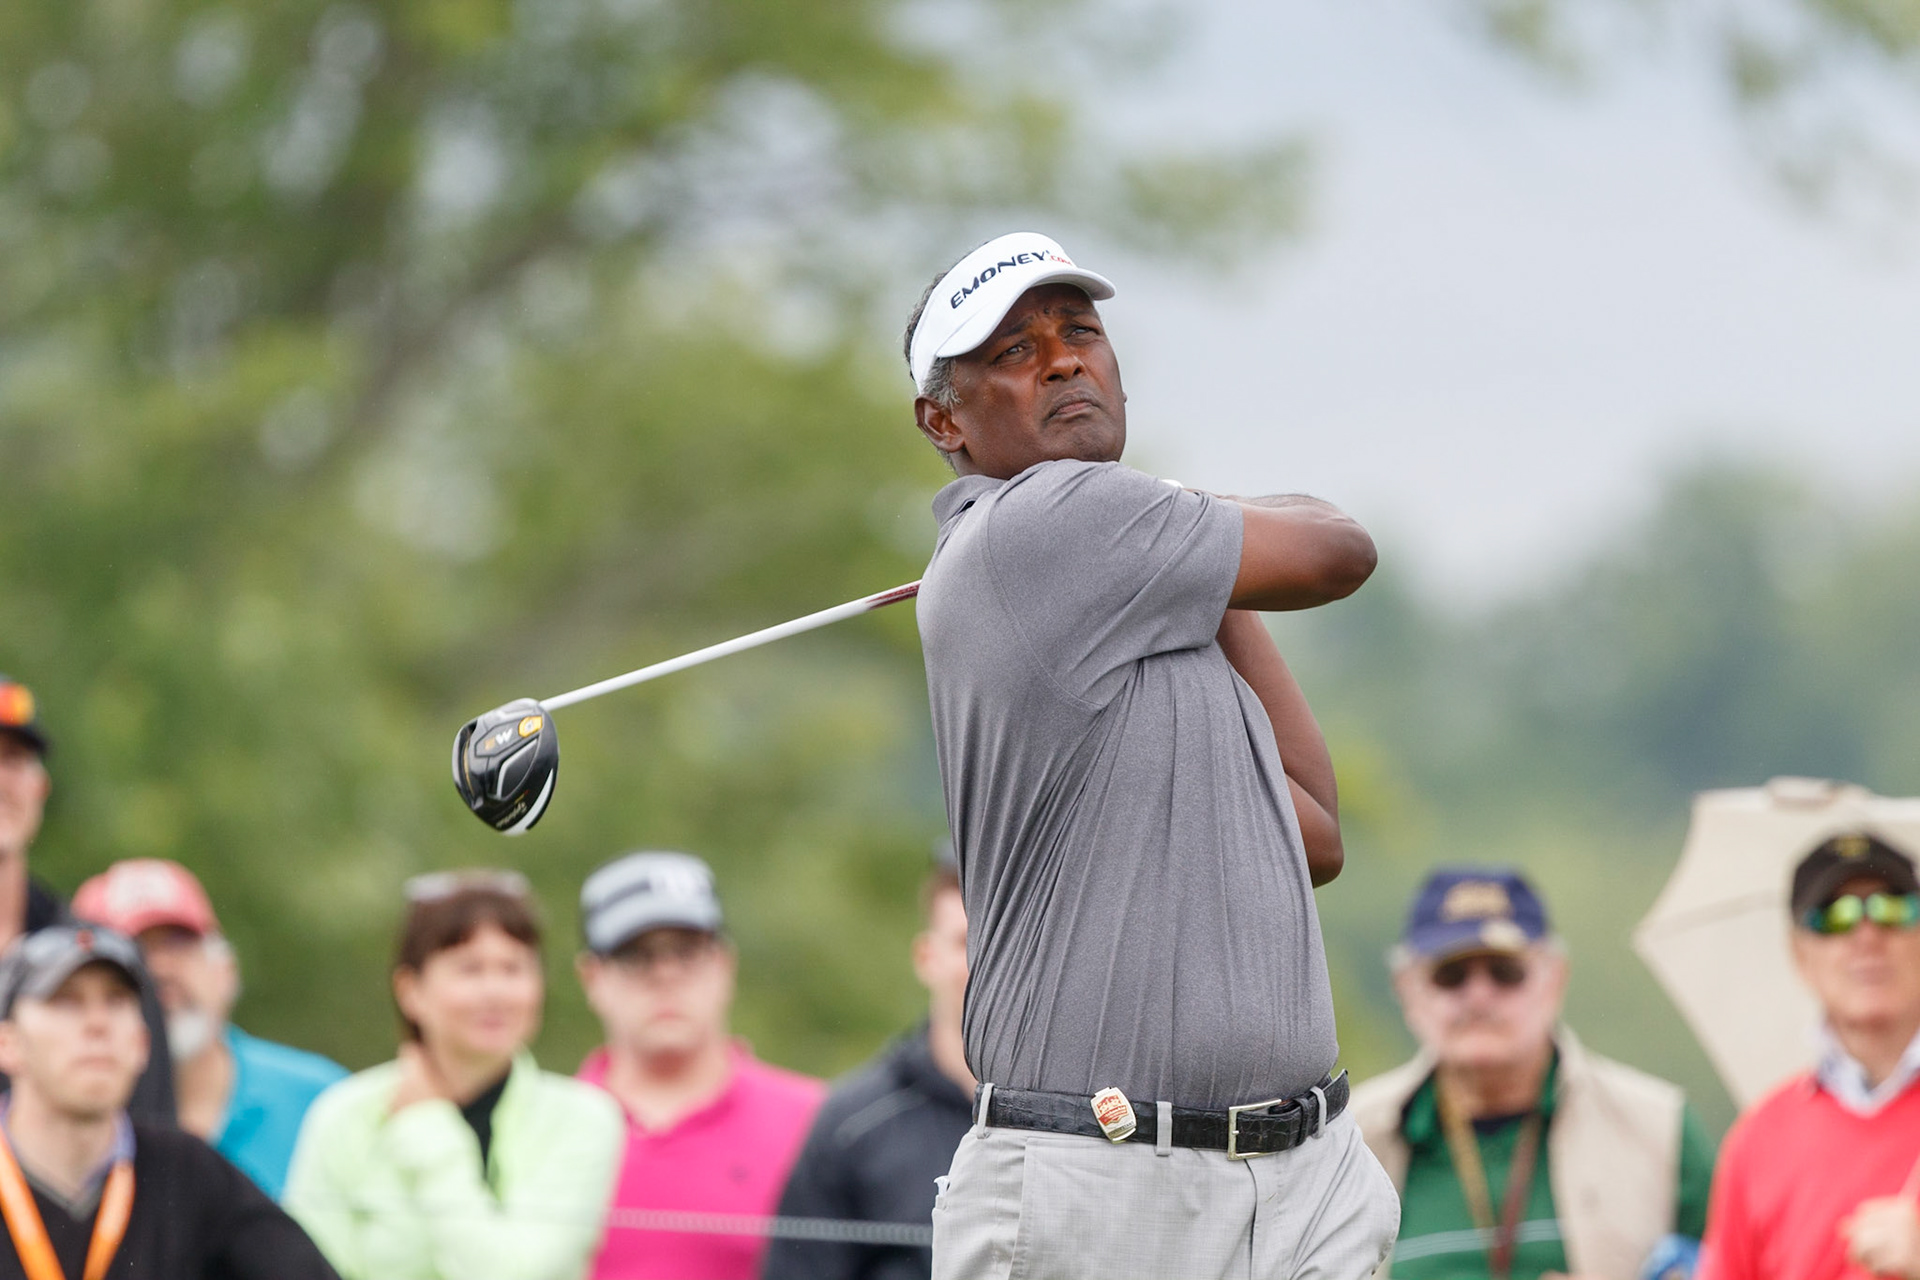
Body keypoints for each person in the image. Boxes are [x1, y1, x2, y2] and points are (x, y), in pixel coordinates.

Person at [907, 231, 1397, 1280]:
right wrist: (1183, 510)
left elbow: (1310, 827)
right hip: (1102, 1184)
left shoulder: (1124, 566)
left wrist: (1182, 544)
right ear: (943, 420)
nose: (1065, 360)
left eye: (1080, 331)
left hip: (1305, 1179)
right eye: (1013, 351)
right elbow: (1335, 546)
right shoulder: (1047, 522)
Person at [1349, 867, 1716, 1279]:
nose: (1479, 995)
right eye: (1450, 975)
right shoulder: (1352, 1141)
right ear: (1407, 990)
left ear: (1554, 979)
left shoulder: (1661, 1129)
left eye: (1505, 972)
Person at [284, 870, 622, 1280]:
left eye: (513, 969)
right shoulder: (343, 1116)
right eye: (470, 969)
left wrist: (429, 1130)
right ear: (410, 990)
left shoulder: (584, 1118)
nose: (495, 991)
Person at [0, 923, 340, 1279]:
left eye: (116, 1000)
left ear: (142, 1043)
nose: (97, 1023)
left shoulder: (191, 1173)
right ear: (8, 1043)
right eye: (66, 1000)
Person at [575, 850, 826, 1280]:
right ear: (593, 977)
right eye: (636, 955)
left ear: (724, 964)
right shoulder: (539, 1127)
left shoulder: (818, 1122)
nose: (666, 975)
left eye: (687, 951)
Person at [1699, 832, 1920, 1280]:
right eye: (1834, 918)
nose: (1867, 935)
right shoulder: (1757, 1141)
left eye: (1891, 909)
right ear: (1800, 953)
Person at [71, 857, 347, 1199]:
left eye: (178, 943)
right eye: (129, 952)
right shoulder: (55, 1124)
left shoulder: (324, 1102)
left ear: (226, 970)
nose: (158, 968)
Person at [764, 853, 975, 1280]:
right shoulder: (852, 1126)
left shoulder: (1083, 1112)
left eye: (1005, 943)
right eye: (967, 943)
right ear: (926, 958)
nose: (987, 964)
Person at [0, 675, 175, 1125]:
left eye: (14, 759)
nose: (0, 779)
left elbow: (148, 1142)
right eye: (64, 1000)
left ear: (41, 788)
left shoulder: (105, 963)